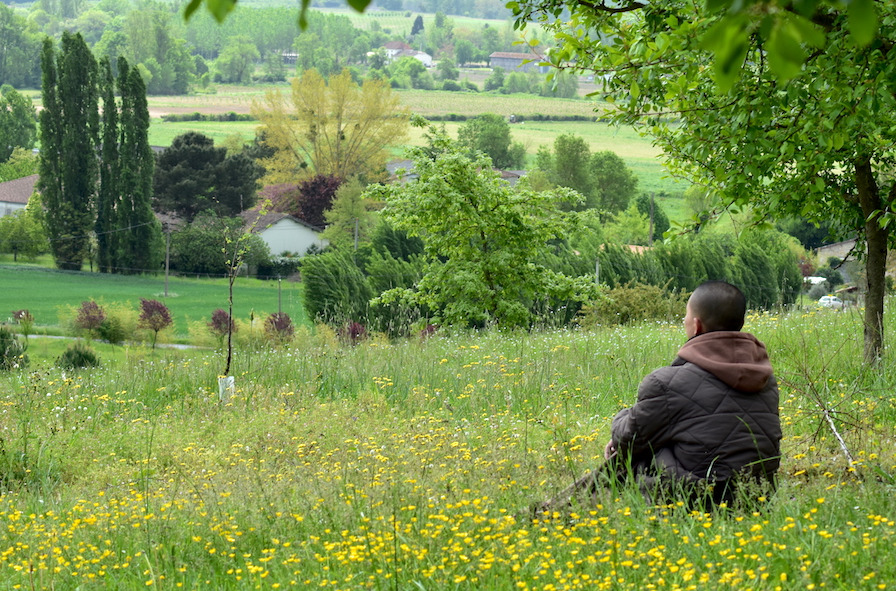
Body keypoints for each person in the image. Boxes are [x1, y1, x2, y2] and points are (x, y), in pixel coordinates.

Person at [533, 281, 781, 516]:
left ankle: (552, 512)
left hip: (699, 499)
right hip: (756, 495)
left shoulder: (668, 382)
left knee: (634, 452)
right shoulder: (765, 379)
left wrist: (620, 419)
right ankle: (554, 509)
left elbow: (628, 437)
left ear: (696, 326)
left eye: (685, 316)